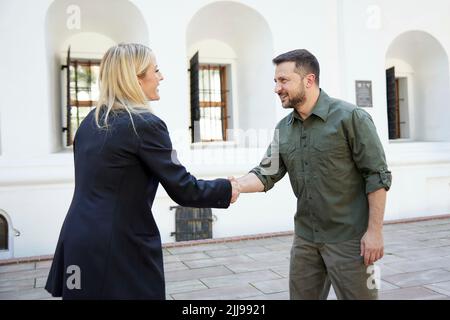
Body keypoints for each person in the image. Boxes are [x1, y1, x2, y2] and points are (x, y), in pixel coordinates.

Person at [45, 43, 240, 300]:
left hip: (78, 239)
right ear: (135, 77)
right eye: (155, 70)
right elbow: (183, 188)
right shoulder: (145, 125)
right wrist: (229, 188)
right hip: (117, 245)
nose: (161, 77)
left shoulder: (90, 122)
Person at [232, 49, 392, 300]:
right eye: (276, 81)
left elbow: (377, 176)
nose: (277, 88)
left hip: (351, 241)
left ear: (309, 80)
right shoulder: (283, 129)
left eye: (283, 80)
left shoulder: (351, 118)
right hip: (306, 240)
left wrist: (375, 232)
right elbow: (267, 173)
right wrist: (236, 185)